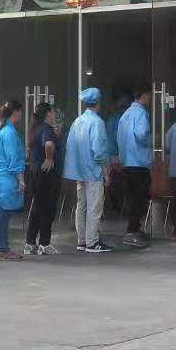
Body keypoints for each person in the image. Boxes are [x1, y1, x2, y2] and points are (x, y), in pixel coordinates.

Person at [64, 87, 112, 254]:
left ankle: (82, 240)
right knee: (94, 207)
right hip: (93, 171)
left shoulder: (77, 121)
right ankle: (92, 242)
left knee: (81, 206)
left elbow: (70, 147)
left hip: (79, 171)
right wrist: (106, 173)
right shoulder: (97, 122)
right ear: (98, 102)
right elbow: (99, 152)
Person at [0, 100, 26, 261]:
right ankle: (4, 249)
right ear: (16, 112)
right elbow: (13, 158)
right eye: (20, 111)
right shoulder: (9, 132)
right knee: (3, 215)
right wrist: (21, 179)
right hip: (7, 177)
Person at [117, 87, 152, 247]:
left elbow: (119, 138)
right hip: (139, 163)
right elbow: (142, 134)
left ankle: (135, 230)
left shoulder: (125, 115)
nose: (150, 99)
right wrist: (151, 140)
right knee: (139, 199)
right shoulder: (141, 113)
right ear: (143, 95)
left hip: (127, 162)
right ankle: (132, 232)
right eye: (149, 95)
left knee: (132, 198)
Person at [25, 104, 62, 256]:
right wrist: (49, 158)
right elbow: (48, 144)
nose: (54, 115)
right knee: (47, 209)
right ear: (47, 114)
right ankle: (44, 243)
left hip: (36, 172)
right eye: (53, 112)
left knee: (37, 208)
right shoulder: (46, 129)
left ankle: (30, 243)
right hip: (45, 174)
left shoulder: (37, 128)